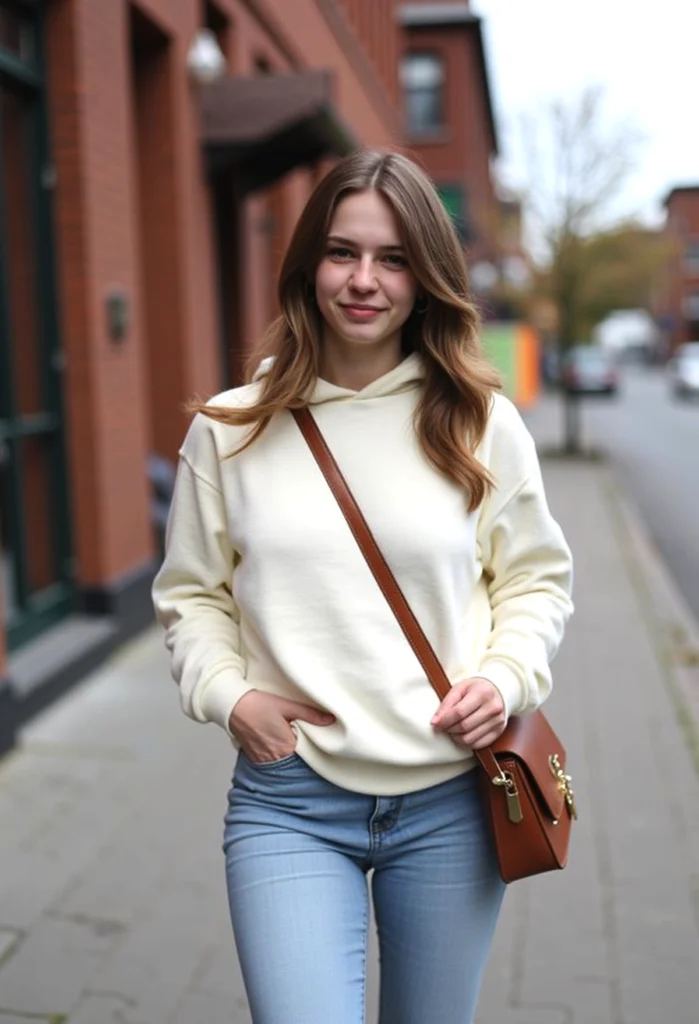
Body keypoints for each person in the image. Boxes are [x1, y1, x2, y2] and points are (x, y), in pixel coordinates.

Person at [152, 149, 573, 1024]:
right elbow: (191, 595)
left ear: (425, 278)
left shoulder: (478, 421)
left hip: (451, 799)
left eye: (392, 258)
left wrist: (502, 680)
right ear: (308, 264)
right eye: (343, 252)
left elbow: (533, 582)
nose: (363, 280)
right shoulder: (232, 429)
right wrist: (227, 696)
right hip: (290, 800)